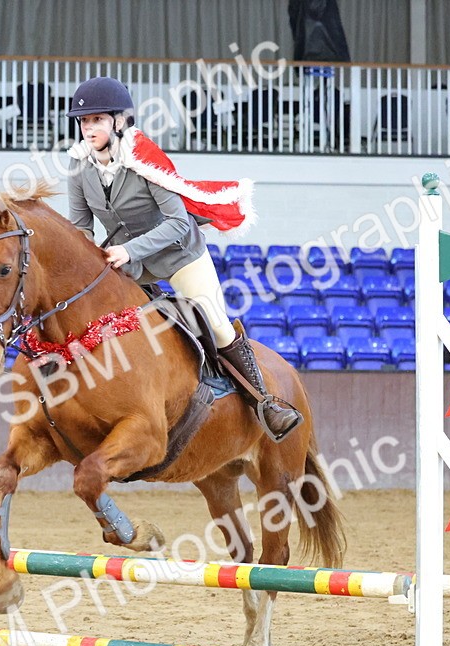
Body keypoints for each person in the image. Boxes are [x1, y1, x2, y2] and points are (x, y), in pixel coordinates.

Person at [64, 76, 300, 441]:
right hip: (132, 266)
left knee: (217, 323)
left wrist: (128, 250)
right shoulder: (80, 167)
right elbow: (81, 227)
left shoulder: (145, 160)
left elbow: (176, 222)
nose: (88, 127)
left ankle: (266, 404)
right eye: (84, 121)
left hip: (179, 255)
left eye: (97, 119)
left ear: (119, 121)